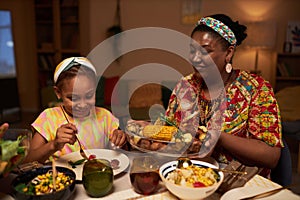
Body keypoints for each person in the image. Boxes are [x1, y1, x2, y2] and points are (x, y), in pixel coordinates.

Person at [164, 14, 283, 177]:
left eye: (206, 51)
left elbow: (271, 157)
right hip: (186, 176)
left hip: (239, 183)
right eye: (192, 51)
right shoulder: (185, 86)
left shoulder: (256, 89)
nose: (195, 58)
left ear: (228, 53)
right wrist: (141, 132)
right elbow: (167, 133)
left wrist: (219, 137)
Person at [25, 57, 127, 164]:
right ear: (58, 92)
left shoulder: (104, 115)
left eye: (89, 96)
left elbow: (121, 151)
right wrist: (53, 145)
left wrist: (121, 140)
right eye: (73, 98)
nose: (82, 105)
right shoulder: (48, 117)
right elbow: (28, 160)